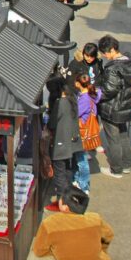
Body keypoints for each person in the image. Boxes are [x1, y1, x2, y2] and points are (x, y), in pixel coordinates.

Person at [32, 189, 114, 260]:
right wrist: (98, 248)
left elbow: (38, 251)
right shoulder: (95, 219)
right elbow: (109, 235)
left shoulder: (50, 224)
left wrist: (57, 250)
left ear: (65, 207)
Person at [96, 35, 131, 178]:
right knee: (123, 135)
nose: (104, 56)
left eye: (105, 53)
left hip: (112, 108)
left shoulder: (113, 68)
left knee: (113, 139)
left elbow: (109, 90)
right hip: (126, 106)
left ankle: (116, 170)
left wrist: (94, 94)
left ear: (112, 50)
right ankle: (127, 165)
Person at [47, 76, 82, 208]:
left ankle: (62, 202)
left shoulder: (60, 103)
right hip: (71, 142)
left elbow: (52, 123)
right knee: (67, 170)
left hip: (60, 143)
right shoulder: (72, 98)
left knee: (59, 173)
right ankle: (68, 198)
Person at [74, 73, 101, 192]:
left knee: (81, 160)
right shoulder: (93, 93)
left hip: (82, 131)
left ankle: (84, 185)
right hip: (87, 130)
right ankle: (79, 181)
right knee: (81, 157)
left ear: (78, 84)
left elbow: (76, 113)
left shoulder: (84, 99)